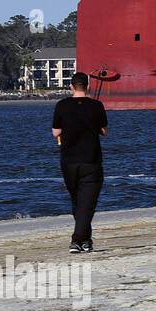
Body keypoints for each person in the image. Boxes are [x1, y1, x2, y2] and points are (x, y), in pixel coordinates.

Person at [50, 71, 108, 254]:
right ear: (88, 86)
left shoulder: (62, 105)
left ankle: (86, 241)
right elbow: (104, 131)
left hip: (68, 161)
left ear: (71, 86)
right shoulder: (97, 105)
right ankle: (77, 241)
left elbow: (55, 132)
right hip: (91, 160)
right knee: (86, 202)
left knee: (78, 201)